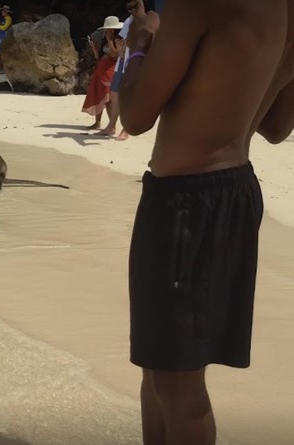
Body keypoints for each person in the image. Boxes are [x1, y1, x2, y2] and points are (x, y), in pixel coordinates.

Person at [119, 0, 294, 443]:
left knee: (178, 387)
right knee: (160, 369)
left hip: (185, 204)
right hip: (232, 194)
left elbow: (135, 116)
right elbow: (276, 127)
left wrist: (140, 41)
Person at [81, 16, 123, 130]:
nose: (106, 31)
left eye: (108, 29)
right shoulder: (106, 41)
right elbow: (100, 58)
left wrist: (109, 39)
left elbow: (115, 55)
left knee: (108, 98)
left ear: (113, 30)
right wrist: (95, 49)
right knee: (98, 96)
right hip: (100, 70)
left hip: (109, 72)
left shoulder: (118, 40)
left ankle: (112, 125)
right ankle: (97, 122)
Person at [97, 14, 133, 140]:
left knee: (127, 97)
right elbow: (121, 44)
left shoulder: (145, 20)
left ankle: (126, 129)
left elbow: (114, 52)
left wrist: (111, 39)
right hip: (121, 64)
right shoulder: (129, 20)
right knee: (114, 95)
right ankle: (111, 126)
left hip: (133, 63)